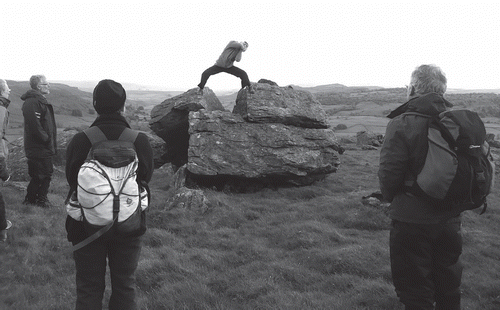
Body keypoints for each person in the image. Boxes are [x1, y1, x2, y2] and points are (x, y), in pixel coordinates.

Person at [378, 64, 463, 310]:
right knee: (449, 285)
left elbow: (389, 172)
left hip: (411, 219)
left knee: (415, 289)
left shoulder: (401, 123)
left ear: (413, 88)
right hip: (450, 217)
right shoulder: (456, 120)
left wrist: (390, 198)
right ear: (442, 91)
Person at [65, 79, 154, 310]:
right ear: (123, 106)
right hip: (129, 224)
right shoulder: (139, 140)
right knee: (125, 285)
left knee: (88, 287)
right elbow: (145, 178)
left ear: (95, 105)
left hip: (85, 226)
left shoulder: (81, 140)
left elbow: (72, 180)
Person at [21, 75, 57, 208]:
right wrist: (46, 139)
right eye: (46, 84)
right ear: (38, 86)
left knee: (44, 174)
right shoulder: (32, 102)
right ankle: (37, 200)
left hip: (42, 147)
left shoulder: (38, 101)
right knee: (40, 175)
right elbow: (34, 125)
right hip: (38, 147)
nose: (49, 86)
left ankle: (34, 200)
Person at [0, 79, 12, 242]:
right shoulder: (1, 110)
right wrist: (3, 171)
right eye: (8, 88)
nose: (9, 91)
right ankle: (2, 231)